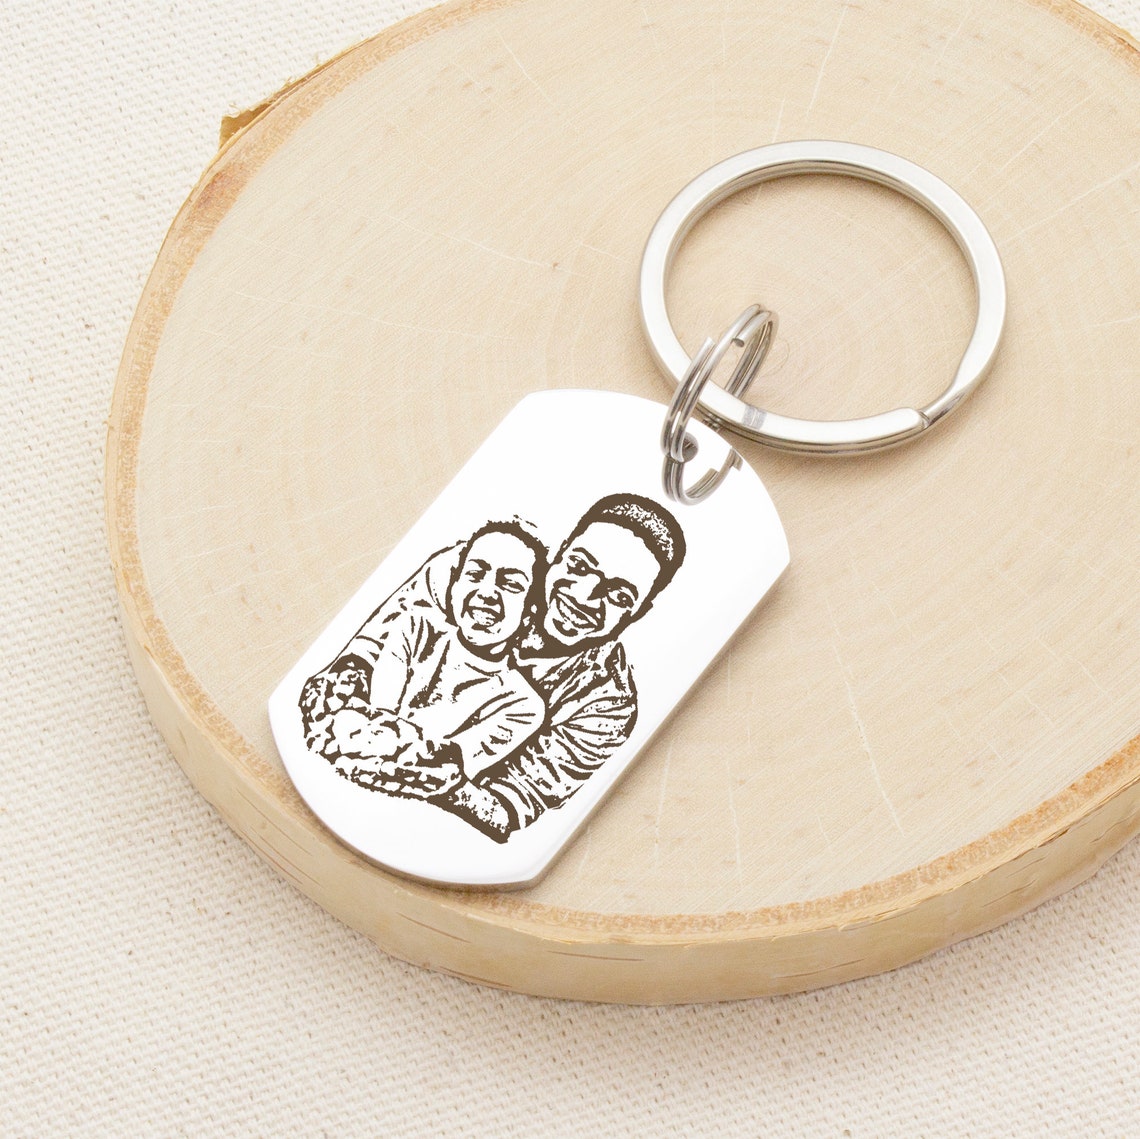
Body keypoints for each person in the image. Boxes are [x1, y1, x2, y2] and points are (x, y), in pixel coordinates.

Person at [431, 493, 686, 840]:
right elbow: (369, 655)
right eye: (579, 567)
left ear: (639, 612)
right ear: (560, 552)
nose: (584, 597)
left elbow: (506, 808)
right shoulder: (480, 571)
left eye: (618, 596)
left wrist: (420, 769)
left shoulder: (608, 706)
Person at [299, 521, 548, 795]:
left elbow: (447, 765)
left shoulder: (523, 704)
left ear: (530, 612)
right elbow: (378, 721)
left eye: (510, 584)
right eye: (475, 574)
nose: (487, 592)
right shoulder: (415, 627)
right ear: (454, 586)